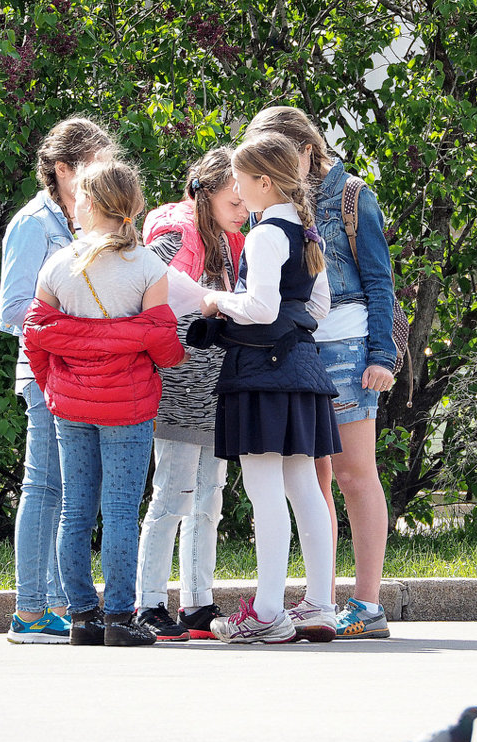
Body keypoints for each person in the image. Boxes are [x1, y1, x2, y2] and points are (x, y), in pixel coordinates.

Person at [245, 106, 396, 639]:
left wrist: (383, 354)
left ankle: (368, 603)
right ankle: (321, 600)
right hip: (299, 349)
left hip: (350, 347)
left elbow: (380, 280)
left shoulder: (352, 195)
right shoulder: (275, 205)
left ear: (306, 149)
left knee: (356, 473)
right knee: (314, 477)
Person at [24, 160, 186, 646]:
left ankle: (81, 617)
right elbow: (165, 348)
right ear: (133, 206)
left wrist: (58, 381)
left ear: (89, 203)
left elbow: (36, 339)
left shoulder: (58, 265)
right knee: (119, 510)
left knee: (76, 509)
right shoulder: (149, 267)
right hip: (129, 406)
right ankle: (118, 618)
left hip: (71, 406)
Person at [201, 133, 341, 644]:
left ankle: (266, 612)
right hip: (302, 368)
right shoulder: (307, 233)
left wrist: (217, 302)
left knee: (265, 493)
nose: (235, 187)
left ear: (263, 182)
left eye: (240, 178)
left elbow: (259, 308)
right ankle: (320, 605)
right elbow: (318, 309)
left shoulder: (264, 236)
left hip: (261, 371)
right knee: (304, 487)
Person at [0, 117, 117, 644]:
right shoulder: (33, 223)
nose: (102, 174)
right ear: (62, 169)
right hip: (44, 373)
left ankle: (52, 603)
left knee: (66, 490)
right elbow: (14, 310)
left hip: (83, 375)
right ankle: (29, 611)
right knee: (44, 485)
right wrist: (80, 327)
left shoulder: (88, 222)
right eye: (91, 164)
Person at [134, 148, 247, 641]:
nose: (243, 210)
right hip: (180, 384)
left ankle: (196, 602)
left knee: (210, 498)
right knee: (171, 496)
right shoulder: (175, 231)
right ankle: (149, 602)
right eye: (233, 201)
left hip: (216, 384)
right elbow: (150, 281)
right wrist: (213, 300)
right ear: (205, 194)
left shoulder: (230, 240)